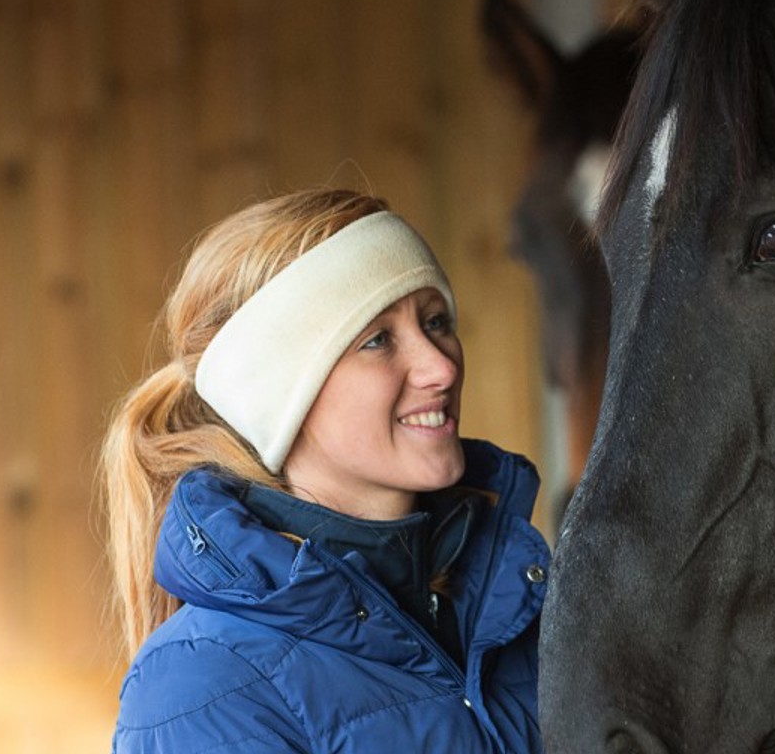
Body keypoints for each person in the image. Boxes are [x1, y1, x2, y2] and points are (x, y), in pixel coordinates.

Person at [103, 188, 550, 753]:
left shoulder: (527, 606)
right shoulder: (203, 693)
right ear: (279, 399)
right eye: (377, 340)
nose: (441, 366)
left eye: (436, 321)